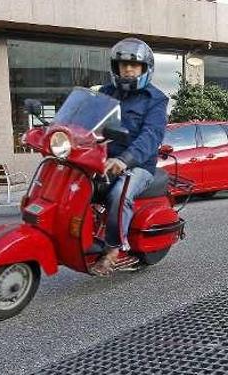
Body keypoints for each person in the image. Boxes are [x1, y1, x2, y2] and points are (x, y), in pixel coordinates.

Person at [90, 38, 169, 276]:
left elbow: (151, 135)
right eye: (123, 64)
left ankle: (111, 251)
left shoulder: (155, 99)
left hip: (138, 166)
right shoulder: (105, 93)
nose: (128, 69)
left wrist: (125, 159)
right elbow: (86, 122)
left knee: (118, 193)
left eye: (134, 65)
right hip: (102, 161)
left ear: (145, 69)